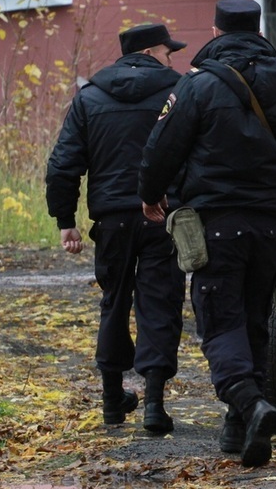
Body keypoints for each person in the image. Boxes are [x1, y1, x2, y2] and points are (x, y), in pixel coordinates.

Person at [137, 0, 276, 468]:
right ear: (258, 28)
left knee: (219, 323)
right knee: (253, 320)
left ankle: (250, 404)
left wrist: (150, 195)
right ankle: (238, 428)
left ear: (216, 30)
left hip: (214, 223)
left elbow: (163, 145)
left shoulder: (198, 86)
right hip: (270, 227)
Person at [45, 22, 188, 433]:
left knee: (115, 300)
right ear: (148, 53)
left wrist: (65, 221)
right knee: (159, 303)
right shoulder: (177, 92)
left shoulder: (90, 97)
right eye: (167, 51)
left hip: (111, 220)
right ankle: (154, 404)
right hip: (163, 215)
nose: (171, 58)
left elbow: (63, 165)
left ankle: (112, 400)